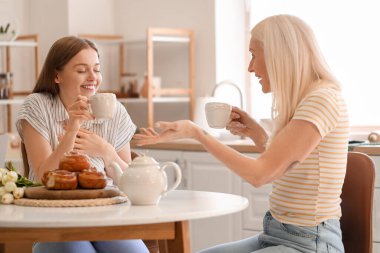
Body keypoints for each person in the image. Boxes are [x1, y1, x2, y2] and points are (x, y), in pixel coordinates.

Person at [134, 14, 349, 253]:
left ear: (279, 55)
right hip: (276, 233)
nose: (250, 67)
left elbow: (261, 174)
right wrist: (257, 134)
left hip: (310, 243)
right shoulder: (306, 99)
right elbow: (289, 163)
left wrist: (198, 134)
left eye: (254, 54)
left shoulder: (321, 100)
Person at [16, 36, 149, 253]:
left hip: (105, 215)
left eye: (96, 69)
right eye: (81, 70)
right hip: (50, 217)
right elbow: (43, 176)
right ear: (57, 75)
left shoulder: (115, 111)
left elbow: (132, 182)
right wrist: (72, 129)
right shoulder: (37, 106)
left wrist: (106, 152)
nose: (92, 78)